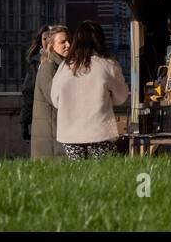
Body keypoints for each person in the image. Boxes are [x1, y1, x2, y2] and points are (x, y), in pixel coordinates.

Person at [51, 21, 129, 160]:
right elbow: (121, 97)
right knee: (103, 175)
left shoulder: (64, 67)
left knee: (77, 176)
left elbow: (55, 100)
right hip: (99, 132)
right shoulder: (108, 65)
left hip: (70, 134)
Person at [31, 25, 70, 159]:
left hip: (55, 133)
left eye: (68, 40)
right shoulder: (49, 66)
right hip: (50, 137)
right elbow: (54, 98)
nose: (68, 45)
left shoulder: (61, 65)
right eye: (63, 42)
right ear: (52, 46)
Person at [20, 25, 50, 144]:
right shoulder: (34, 61)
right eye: (44, 38)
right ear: (40, 41)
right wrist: (25, 122)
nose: (47, 41)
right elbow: (29, 89)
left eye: (50, 38)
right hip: (40, 106)